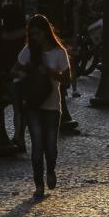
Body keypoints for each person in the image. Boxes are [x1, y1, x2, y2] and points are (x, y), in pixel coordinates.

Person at [12, 14, 70, 198]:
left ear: (46, 33)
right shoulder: (29, 51)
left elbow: (67, 80)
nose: (34, 37)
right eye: (32, 34)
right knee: (37, 145)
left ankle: (50, 170)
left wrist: (50, 72)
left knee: (51, 147)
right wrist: (26, 72)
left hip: (52, 105)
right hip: (33, 105)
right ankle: (38, 184)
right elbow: (14, 69)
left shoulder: (59, 53)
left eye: (37, 34)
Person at [1, 4, 28, 152]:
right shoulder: (25, 33)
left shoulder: (2, 34)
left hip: (9, 74)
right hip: (23, 73)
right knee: (22, 108)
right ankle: (20, 135)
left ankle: (19, 136)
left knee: (17, 108)